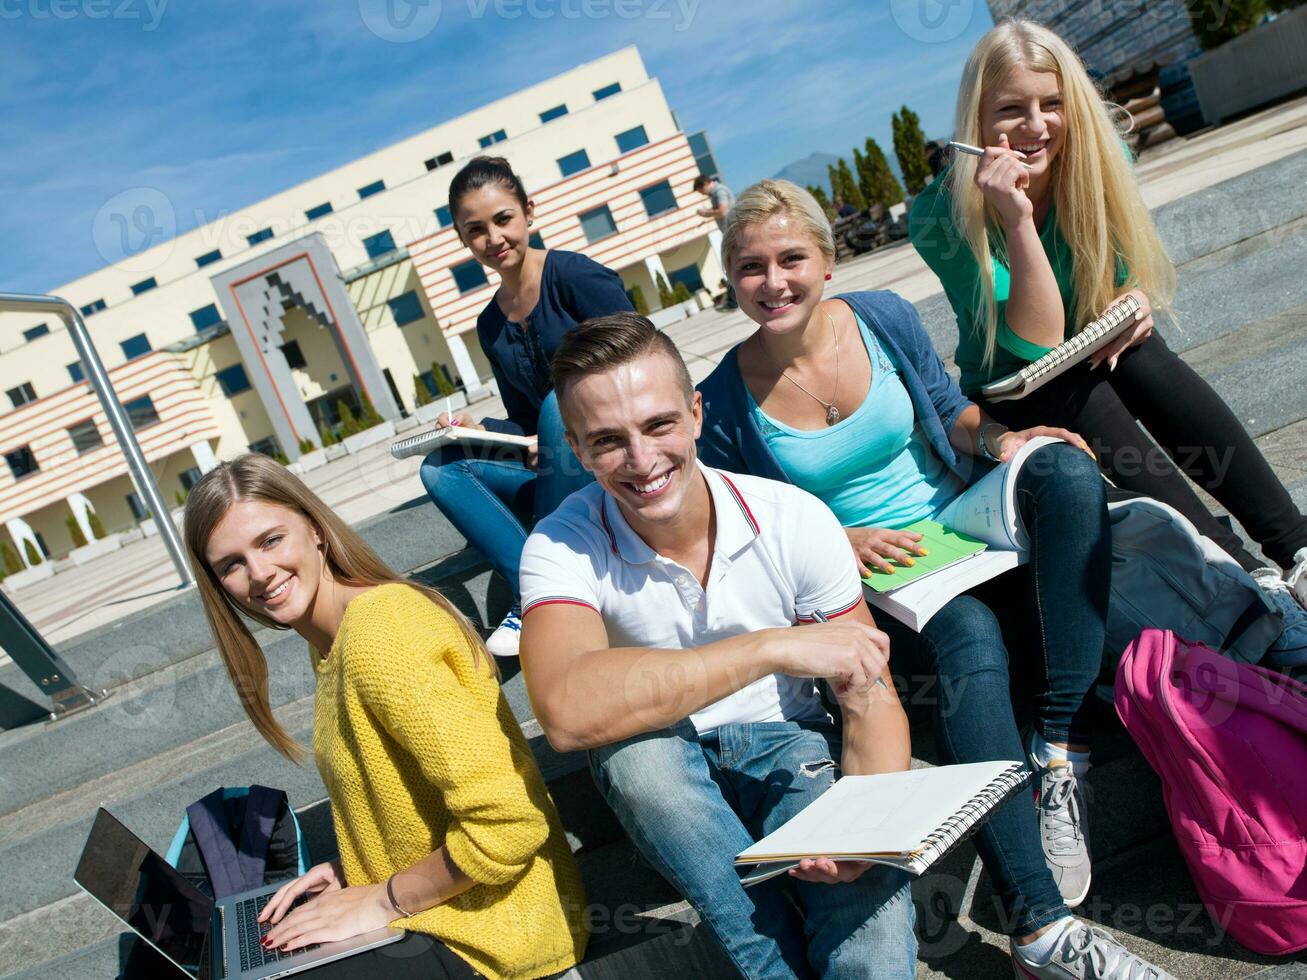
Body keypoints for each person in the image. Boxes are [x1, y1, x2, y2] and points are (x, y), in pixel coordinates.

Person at [696, 178, 1177, 980]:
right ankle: (1040, 929)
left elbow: (949, 409)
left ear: (825, 259)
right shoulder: (720, 402)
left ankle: (1056, 746)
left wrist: (1002, 443)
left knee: (1058, 467)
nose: (772, 282)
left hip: (959, 522)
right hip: (873, 581)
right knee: (968, 632)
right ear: (731, 279)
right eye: (750, 267)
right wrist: (832, 536)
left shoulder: (881, 317)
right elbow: (743, 523)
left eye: (789, 258)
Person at [518, 312, 918, 980]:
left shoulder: (792, 519)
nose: (642, 461)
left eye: (658, 425)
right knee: (642, 765)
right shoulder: (562, 544)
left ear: (696, 413)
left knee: (869, 920)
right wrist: (768, 649)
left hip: (790, 744)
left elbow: (871, 698)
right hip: (660, 752)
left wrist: (863, 835)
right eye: (608, 441)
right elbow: (564, 711)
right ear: (580, 454)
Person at [908, 19, 1307, 614]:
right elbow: (1034, 340)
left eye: (1052, 103)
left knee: (1142, 351)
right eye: (1011, 109)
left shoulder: (1098, 157)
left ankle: (1295, 546)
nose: (1037, 126)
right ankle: (1243, 574)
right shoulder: (941, 214)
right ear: (977, 123)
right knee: (1077, 385)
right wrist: (1015, 218)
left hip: (1099, 351)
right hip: (1017, 387)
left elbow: (1114, 271)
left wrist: (1136, 298)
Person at [183, 454, 587, 980]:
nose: (259, 574)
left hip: (496, 931)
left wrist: (380, 900)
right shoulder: (331, 640)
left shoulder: (383, 631)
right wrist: (353, 872)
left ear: (315, 529)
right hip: (439, 914)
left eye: (269, 541)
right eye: (231, 565)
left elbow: (509, 823)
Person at [420, 156, 635, 656]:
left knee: (562, 405)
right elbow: (523, 417)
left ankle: (542, 590)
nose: (493, 238)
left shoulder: (574, 276)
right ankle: (540, 591)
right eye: (475, 230)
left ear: (528, 213)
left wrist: (565, 426)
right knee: (441, 469)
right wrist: (481, 428)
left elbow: (644, 362)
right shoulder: (489, 325)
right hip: (554, 463)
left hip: (612, 447)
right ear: (463, 241)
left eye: (502, 219)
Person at [695, 174, 739, 310]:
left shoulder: (718, 191)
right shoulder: (717, 192)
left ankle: (733, 302)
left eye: (700, 191)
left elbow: (722, 211)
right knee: (732, 266)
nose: (702, 194)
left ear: (705, 185)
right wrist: (706, 219)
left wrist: (705, 213)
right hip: (732, 233)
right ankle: (733, 301)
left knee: (731, 266)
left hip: (734, 234)